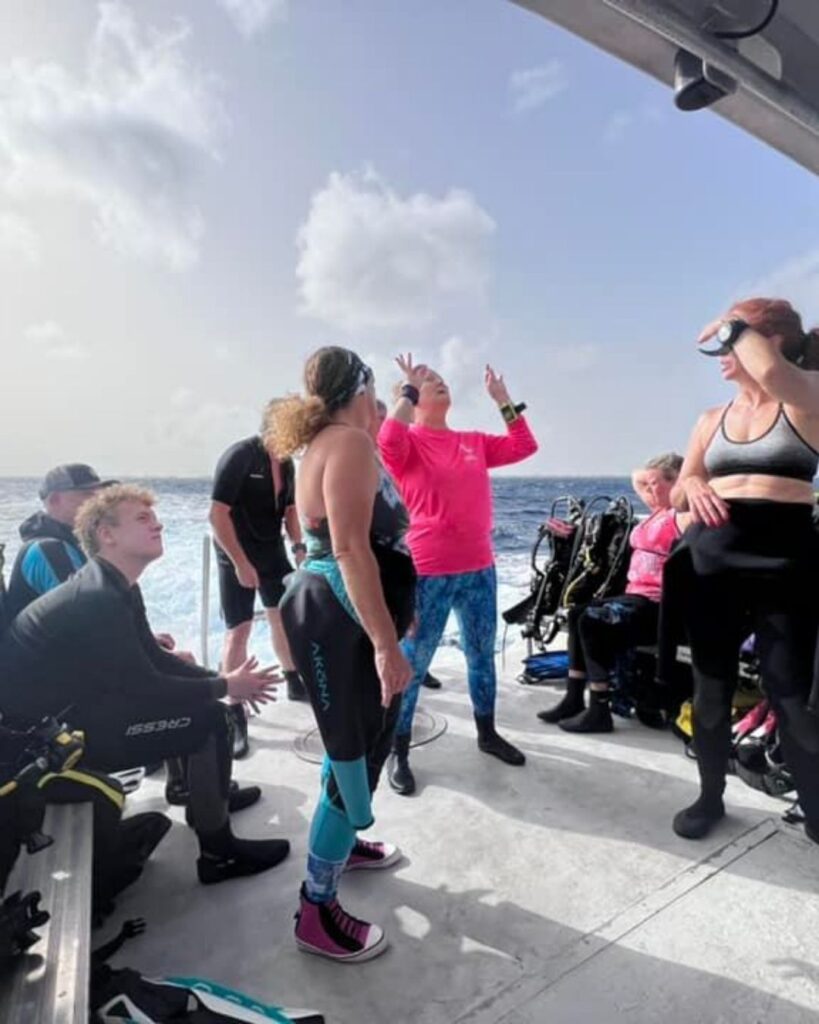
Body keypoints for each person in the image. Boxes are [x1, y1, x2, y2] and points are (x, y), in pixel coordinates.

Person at [0, 484, 290, 884]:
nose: (158, 525)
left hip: (67, 717)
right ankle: (219, 853)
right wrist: (224, 688)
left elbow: (154, 660)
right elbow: (146, 688)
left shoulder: (115, 584)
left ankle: (190, 790)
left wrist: (223, 680)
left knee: (201, 699)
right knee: (211, 719)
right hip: (51, 743)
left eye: (154, 517)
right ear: (107, 534)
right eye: (142, 519)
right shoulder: (98, 595)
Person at [268, 347, 415, 963]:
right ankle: (316, 909)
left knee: (352, 747)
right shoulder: (349, 445)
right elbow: (352, 550)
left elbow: (339, 539)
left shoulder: (334, 439)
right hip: (343, 620)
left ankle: (343, 847)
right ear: (362, 388)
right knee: (349, 757)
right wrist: (386, 645)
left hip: (336, 614)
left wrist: (409, 396)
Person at [669, 297, 819, 842]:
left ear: (770, 341)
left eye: (729, 343)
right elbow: (682, 490)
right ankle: (710, 797)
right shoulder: (711, 420)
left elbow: (779, 376)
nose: (720, 353)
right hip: (714, 562)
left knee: (791, 695)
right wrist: (696, 484)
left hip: (786, 562)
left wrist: (732, 326)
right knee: (710, 691)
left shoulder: (807, 397)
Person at [379, 356, 538, 796]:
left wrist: (503, 400)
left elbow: (524, 446)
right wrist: (408, 390)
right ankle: (400, 749)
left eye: (440, 381)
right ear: (411, 400)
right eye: (430, 383)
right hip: (428, 572)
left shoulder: (472, 440)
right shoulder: (406, 443)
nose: (440, 384)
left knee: (480, 656)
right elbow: (386, 437)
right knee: (412, 666)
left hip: (479, 570)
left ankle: (486, 734)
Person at [537, 453, 685, 734]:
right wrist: (656, 477)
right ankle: (573, 697)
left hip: (658, 605)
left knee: (591, 620)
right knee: (578, 611)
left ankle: (599, 708)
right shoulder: (656, 513)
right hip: (635, 597)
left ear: (678, 483)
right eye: (648, 485)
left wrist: (687, 480)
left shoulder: (682, 516)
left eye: (657, 484)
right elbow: (636, 477)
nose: (649, 490)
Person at [210, 405, 308, 760]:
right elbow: (217, 514)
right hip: (235, 551)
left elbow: (291, 511)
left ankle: (294, 680)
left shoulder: (286, 464)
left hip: (271, 551)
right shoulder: (240, 456)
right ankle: (233, 711)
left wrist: (298, 547)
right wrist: (239, 563)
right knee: (240, 630)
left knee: (283, 615)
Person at [374, 398, 441, 692]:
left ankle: (417, 667)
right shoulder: (358, 455)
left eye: (382, 416)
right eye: (376, 416)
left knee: (409, 612)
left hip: (404, 547)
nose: (379, 421)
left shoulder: (393, 453)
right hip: (374, 553)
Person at [5, 463, 114, 619]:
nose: (98, 503)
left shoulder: (75, 544)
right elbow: (84, 617)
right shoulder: (48, 549)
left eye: (99, 495)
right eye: (88, 495)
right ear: (55, 500)